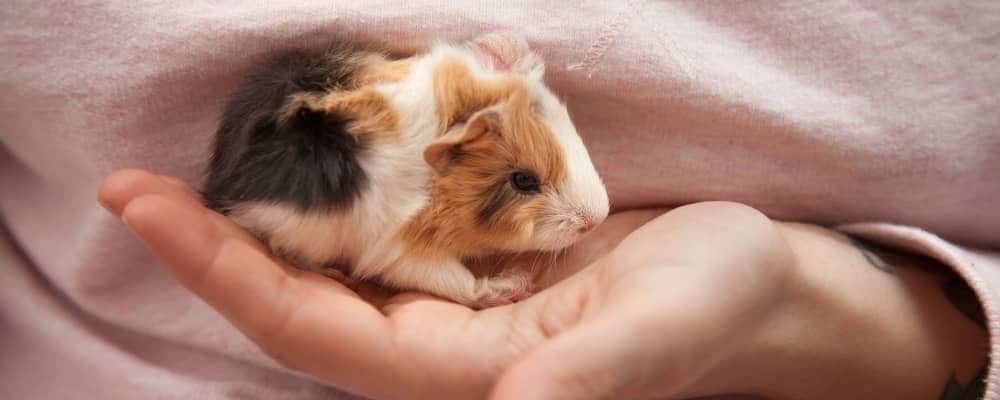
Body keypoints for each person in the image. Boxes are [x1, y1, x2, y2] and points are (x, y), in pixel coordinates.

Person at [2, 2, 997, 399]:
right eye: (525, 179)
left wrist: (815, 304)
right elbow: (407, 236)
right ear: (448, 155)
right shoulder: (406, 186)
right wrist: (457, 279)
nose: (578, 203)